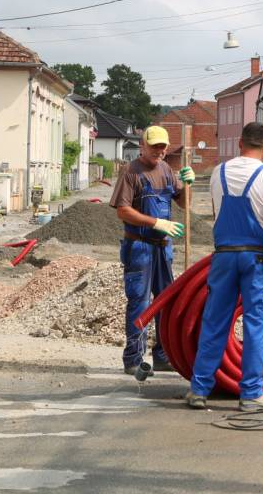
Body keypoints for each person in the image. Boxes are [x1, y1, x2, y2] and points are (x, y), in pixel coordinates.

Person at [185, 122, 263, 412]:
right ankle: (250, 394)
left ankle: (199, 390)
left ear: (239, 143)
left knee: (215, 321)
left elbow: (216, 213)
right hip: (257, 259)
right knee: (258, 323)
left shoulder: (218, 173)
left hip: (223, 256)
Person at [110, 126, 194, 379]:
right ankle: (133, 359)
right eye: (154, 146)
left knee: (166, 303)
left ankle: (162, 357)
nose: (159, 150)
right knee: (140, 303)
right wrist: (155, 223)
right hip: (140, 247)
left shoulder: (168, 170)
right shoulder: (131, 171)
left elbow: (183, 202)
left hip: (163, 248)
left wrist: (188, 184)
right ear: (142, 146)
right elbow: (122, 210)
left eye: (162, 146)